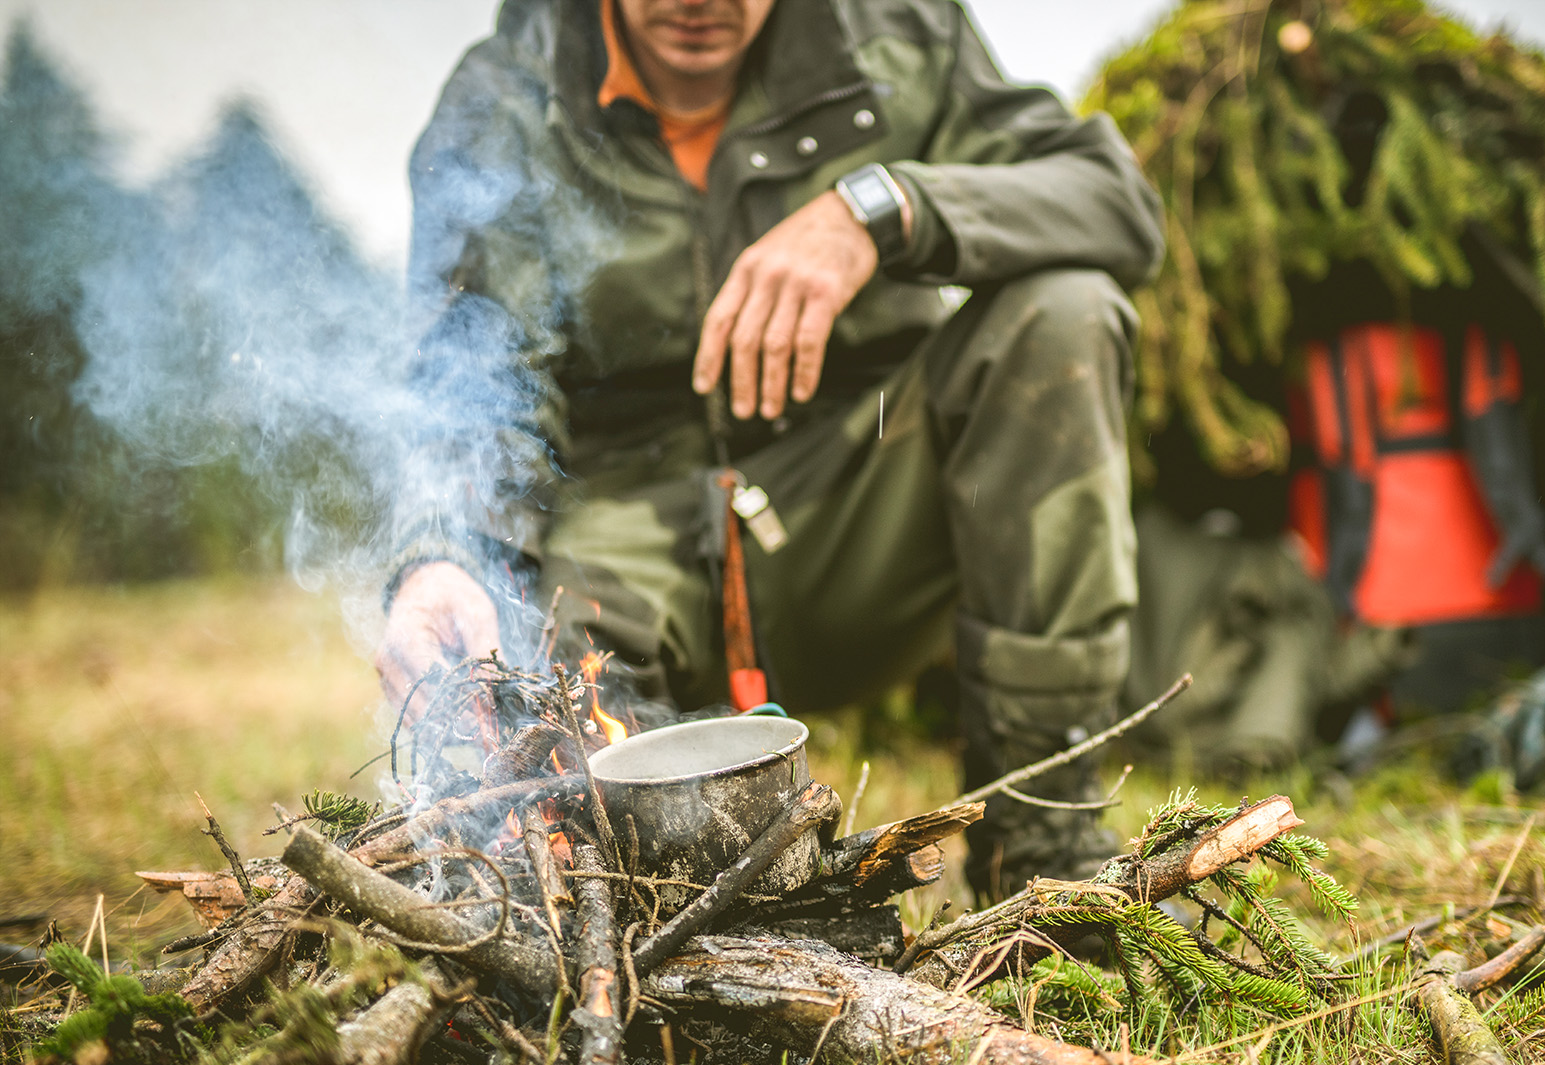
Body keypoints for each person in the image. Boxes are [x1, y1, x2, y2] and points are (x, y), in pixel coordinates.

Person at [372, 0, 1164, 899]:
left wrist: (883, 208)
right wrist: (444, 552)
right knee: (563, 769)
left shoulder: (896, 39)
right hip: (623, 544)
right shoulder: (508, 101)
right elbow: (469, 379)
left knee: (1064, 311)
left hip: (860, 508)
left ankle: (1047, 859)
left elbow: (1115, 199)